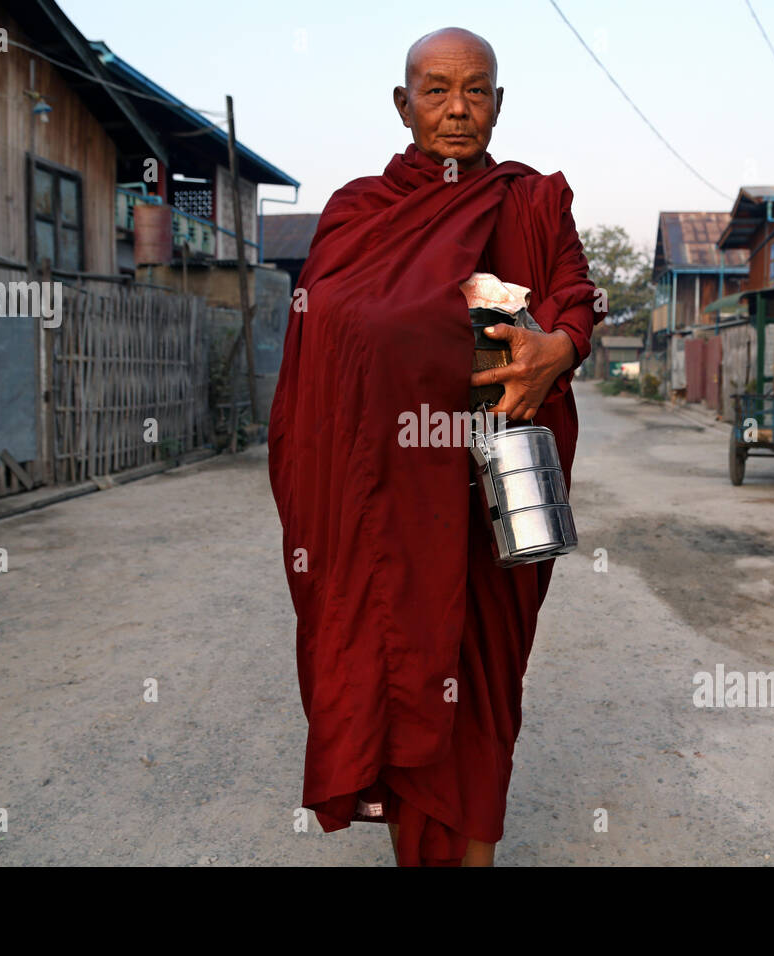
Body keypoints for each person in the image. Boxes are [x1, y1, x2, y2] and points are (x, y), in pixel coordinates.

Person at [268, 25, 602, 866]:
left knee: (483, 687)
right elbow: (323, 351)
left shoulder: (531, 202)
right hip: (387, 500)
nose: (458, 108)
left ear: (499, 101)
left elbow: (574, 298)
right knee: (398, 662)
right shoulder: (358, 213)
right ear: (403, 103)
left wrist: (558, 349)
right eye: (436, 89)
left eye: (476, 89)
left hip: (495, 491)